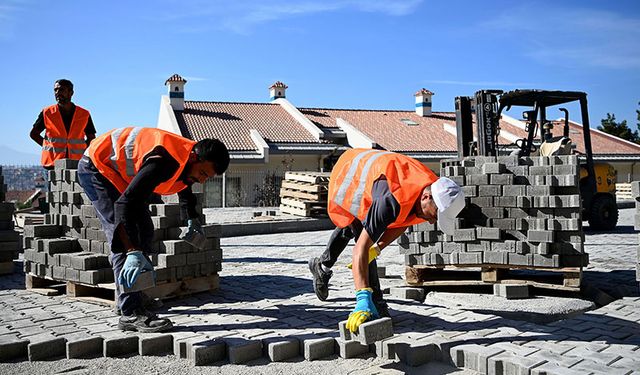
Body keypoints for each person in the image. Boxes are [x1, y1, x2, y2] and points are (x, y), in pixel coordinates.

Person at [77, 127, 229, 333]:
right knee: (122, 234)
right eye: (202, 173)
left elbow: (185, 185)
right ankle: (130, 312)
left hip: (117, 173)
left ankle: (134, 293)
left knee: (145, 229)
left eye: (207, 177)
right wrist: (132, 251)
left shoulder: (187, 160)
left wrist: (191, 218)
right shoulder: (163, 162)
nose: (202, 180)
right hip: (96, 168)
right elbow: (124, 205)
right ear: (194, 157)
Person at [308, 148, 465, 333]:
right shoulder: (390, 201)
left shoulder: (429, 192)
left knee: (360, 230)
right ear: (426, 197)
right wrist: (362, 298)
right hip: (351, 177)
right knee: (357, 229)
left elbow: (404, 220)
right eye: (435, 215)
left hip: (377, 180)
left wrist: (379, 247)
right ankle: (375, 303)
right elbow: (361, 249)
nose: (432, 221)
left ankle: (322, 266)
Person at [30, 79, 96, 169]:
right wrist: (48, 146)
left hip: (76, 163)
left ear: (71, 93)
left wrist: (84, 151)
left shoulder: (84, 114)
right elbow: (34, 134)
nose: (57, 93)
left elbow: (91, 137)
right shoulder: (47, 113)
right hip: (52, 163)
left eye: (61, 90)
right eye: (55, 90)